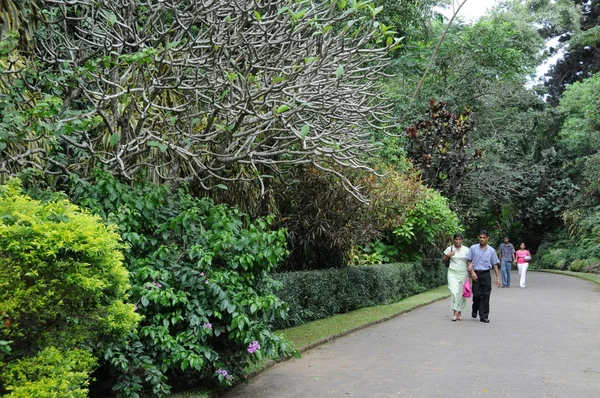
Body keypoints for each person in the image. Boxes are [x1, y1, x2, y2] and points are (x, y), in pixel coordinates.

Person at [466, 230, 501, 323]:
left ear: (487, 238)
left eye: (484, 237)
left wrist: (498, 278)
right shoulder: (473, 248)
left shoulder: (491, 250)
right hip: (476, 273)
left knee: (486, 295)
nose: (482, 239)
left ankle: (484, 316)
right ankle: (475, 308)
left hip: (486, 274)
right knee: (477, 295)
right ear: (478, 237)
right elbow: (469, 260)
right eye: (480, 237)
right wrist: (472, 272)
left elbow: (495, 264)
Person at [442, 233, 470, 321]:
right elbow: (443, 260)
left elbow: (469, 261)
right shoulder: (450, 248)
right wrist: (448, 255)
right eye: (456, 239)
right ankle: (454, 312)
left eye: (459, 239)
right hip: (452, 272)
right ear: (453, 240)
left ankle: (459, 312)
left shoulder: (466, 250)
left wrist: (471, 270)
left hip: (463, 272)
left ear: (462, 240)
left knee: (461, 293)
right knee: (454, 291)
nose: (458, 241)